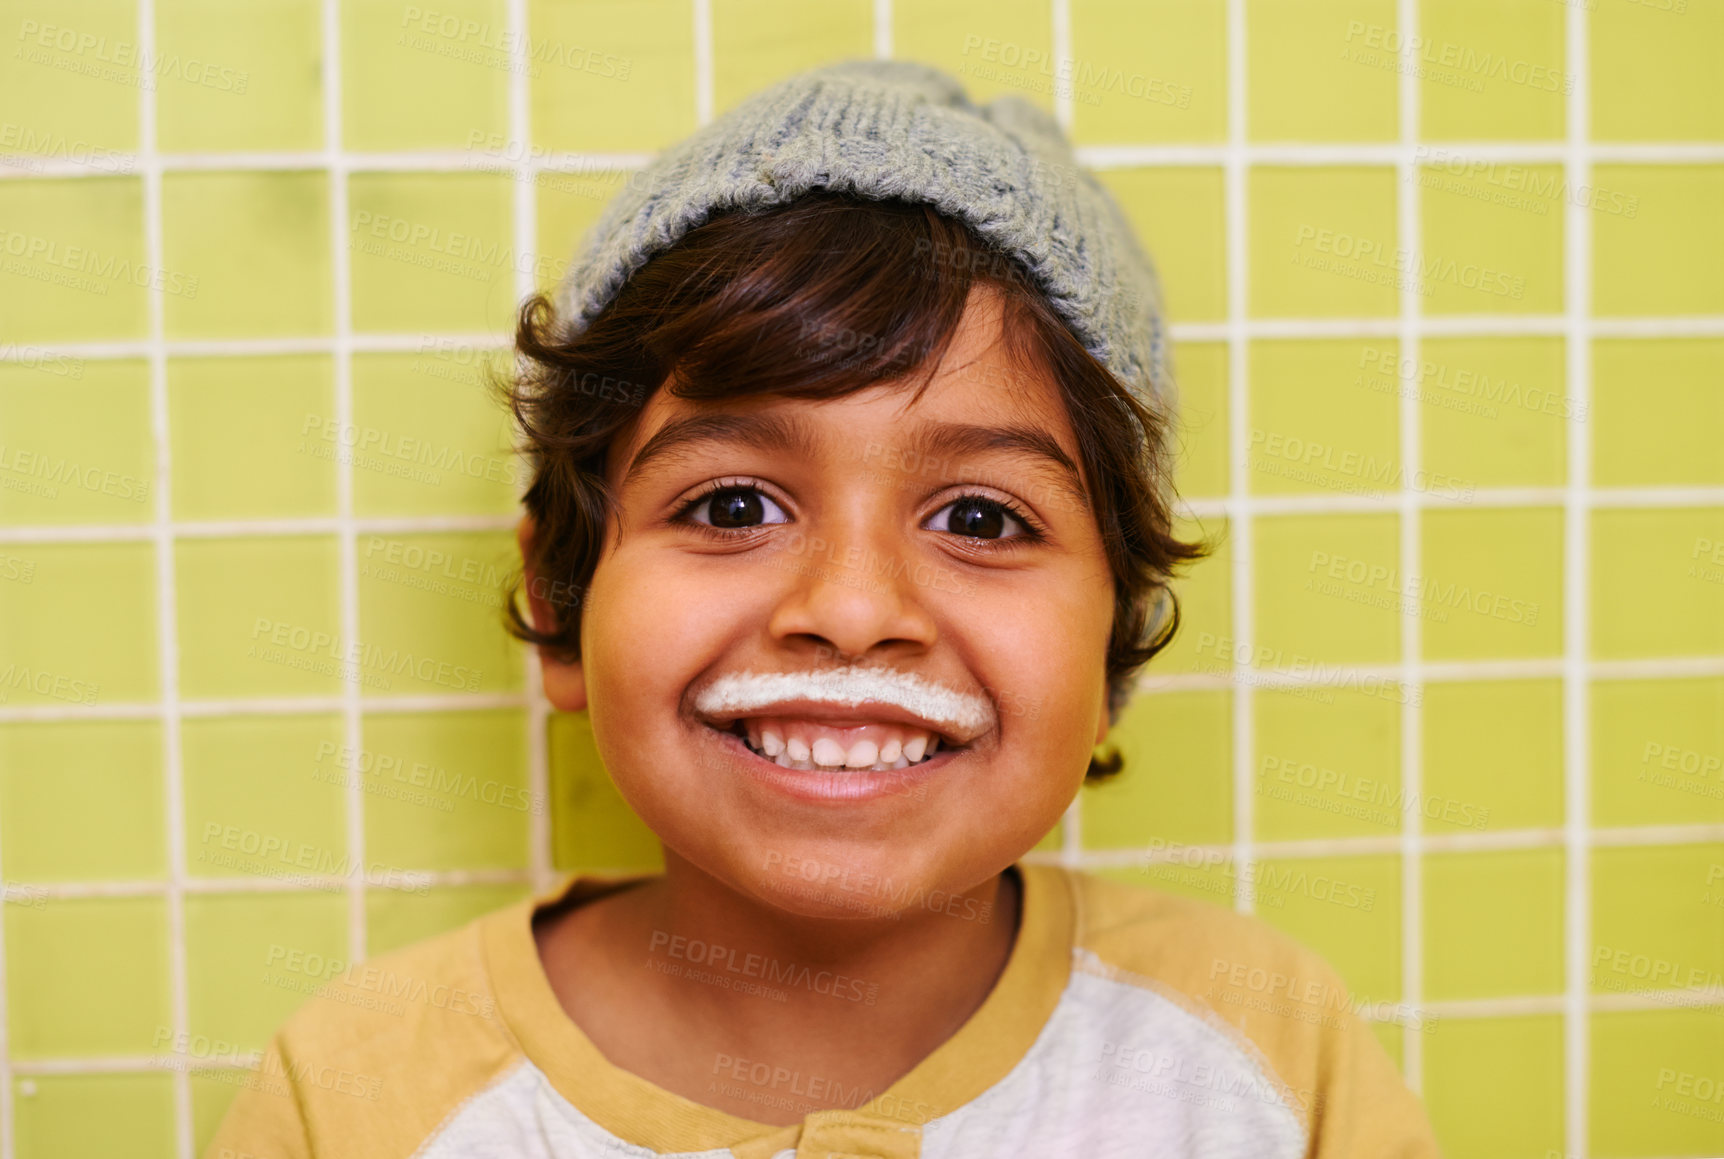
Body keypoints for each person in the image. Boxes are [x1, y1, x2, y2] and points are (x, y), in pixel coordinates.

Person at [206, 59, 1443, 1158]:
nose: (851, 611)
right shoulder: (357, 1098)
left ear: (1114, 629)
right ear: (560, 589)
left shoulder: (1266, 1057)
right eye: (734, 505)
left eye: (978, 518)